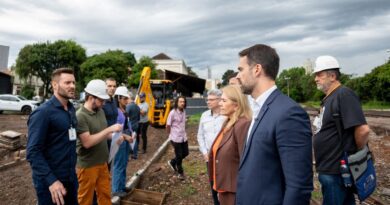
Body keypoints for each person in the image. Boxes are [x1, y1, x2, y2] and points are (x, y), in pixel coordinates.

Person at [235, 44, 313, 204]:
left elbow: (299, 187)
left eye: (241, 69)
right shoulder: (259, 108)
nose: (237, 76)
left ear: (257, 69)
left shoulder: (288, 113)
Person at [312, 55, 370, 205]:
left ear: (332, 76)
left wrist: (355, 153)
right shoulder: (329, 98)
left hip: (337, 171)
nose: (316, 79)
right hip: (330, 170)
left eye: (319, 75)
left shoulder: (344, 94)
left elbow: (363, 130)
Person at [27, 68, 78, 205]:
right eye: (67, 83)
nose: (72, 86)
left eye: (73, 82)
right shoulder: (43, 113)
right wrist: (52, 181)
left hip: (71, 179)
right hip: (51, 184)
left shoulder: (71, 109)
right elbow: (33, 152)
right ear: (55, 85)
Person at [76, 79, 122, 205]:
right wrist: (109, 129)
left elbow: (103, 134)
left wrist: (114, 137)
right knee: (85, 200)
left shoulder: (100, 111)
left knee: (105, 196)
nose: (103, 103)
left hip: (102, 163)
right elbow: (87, 142)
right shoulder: (80, 116)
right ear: (91, 97)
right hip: (87, 166)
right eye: (101, 100)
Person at [208, 85, 251, 205]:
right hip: (224, 189)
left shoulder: (243, 125)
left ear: (236, 105)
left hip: (235, 193)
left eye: (223, 100)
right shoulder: (228, 122)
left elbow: (247, 163)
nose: (219, 103)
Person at [197, 89, 226, 205]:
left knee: (224, 182)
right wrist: (204, 152)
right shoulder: (204, 116)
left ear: (220, 100)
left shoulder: (226, 116)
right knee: (213, 182)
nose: (208, 102)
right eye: (207, 99)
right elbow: (200, 135)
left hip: (224, 158)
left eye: (211, 100)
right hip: (209, 157)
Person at [111, 86, 135, 197]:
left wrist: (131, 133)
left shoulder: (123, 110)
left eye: (127, 98)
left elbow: (127, 124)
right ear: (119, 98)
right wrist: (126, 136)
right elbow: (115, 129)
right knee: (119, 164)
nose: (127, 101)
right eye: (124, 98)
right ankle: (116, 189)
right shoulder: (115, 111)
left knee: (124, 163)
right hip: (119, 139)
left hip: (125, 138)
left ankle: (122, 186)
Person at [166, 96, 189, 180]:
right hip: (175, 138)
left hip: (183, 137)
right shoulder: (172, 113)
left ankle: (172, 162)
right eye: (180, 102)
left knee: (186, 153)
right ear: (177, 102)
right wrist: (170, 135)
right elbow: (168, 125)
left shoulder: (184, 111)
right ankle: (180, 173)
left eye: (183, 102)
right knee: (179, 156)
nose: (182, 103)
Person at [103, 78, 118, 149]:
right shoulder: (101, 102)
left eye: (114, 86)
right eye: (109, 86)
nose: (112, 88)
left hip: (114, 137)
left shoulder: (114, 101)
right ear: (104, 87)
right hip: (104, 140)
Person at [126, 92, 140, 159]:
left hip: (130, 125)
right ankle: (135, 154)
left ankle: (128, 154)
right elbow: (139, 117)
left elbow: (125, 116)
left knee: (129, 139)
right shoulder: (137, 106)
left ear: (129, 98)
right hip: (136, 124)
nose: (126, 100)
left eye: (127, 98)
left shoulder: (128, 106)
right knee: (135, 139)